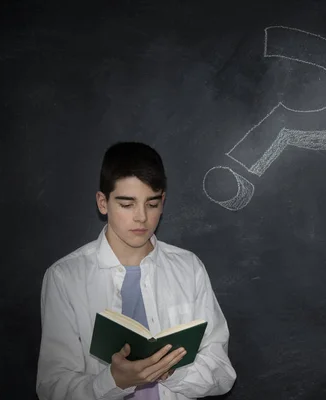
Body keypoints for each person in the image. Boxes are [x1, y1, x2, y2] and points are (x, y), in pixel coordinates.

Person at [36, 142, 236, 399]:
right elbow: (53, 387)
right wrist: (113, 381)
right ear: (103, 202)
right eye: (127, 204)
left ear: (163, 202)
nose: (141, 217)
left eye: (151, 204)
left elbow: (222, 372)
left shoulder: (188, 268)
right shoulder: (65, 277)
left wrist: (170, 370)